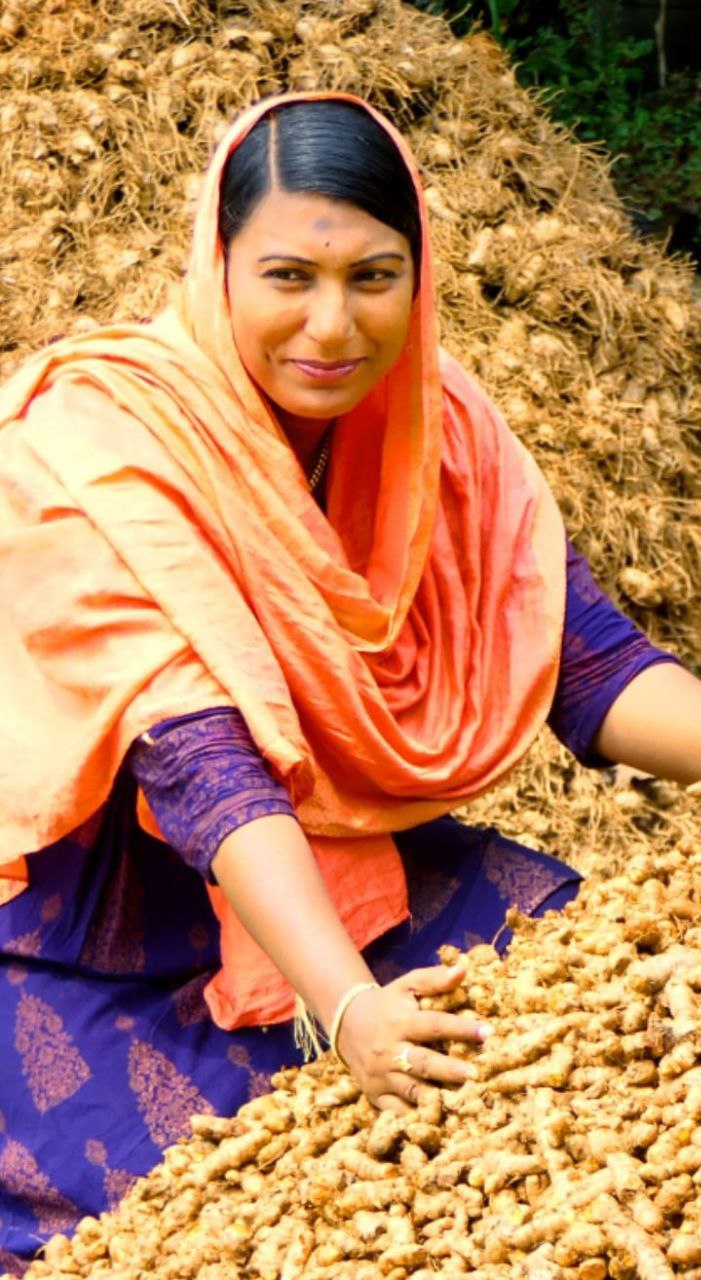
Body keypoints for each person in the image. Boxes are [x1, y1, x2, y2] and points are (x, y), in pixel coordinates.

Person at [0, 91, 699, 1272]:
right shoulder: (93, 443)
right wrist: (347, 1007)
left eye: (373, 277)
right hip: (108, 915)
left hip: (339, 868)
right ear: (215, 266)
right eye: (287, 276)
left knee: (561, 970)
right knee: (143, 1198)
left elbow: (589, 666)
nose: (331, 326)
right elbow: (201, 763)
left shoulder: (434, 426)